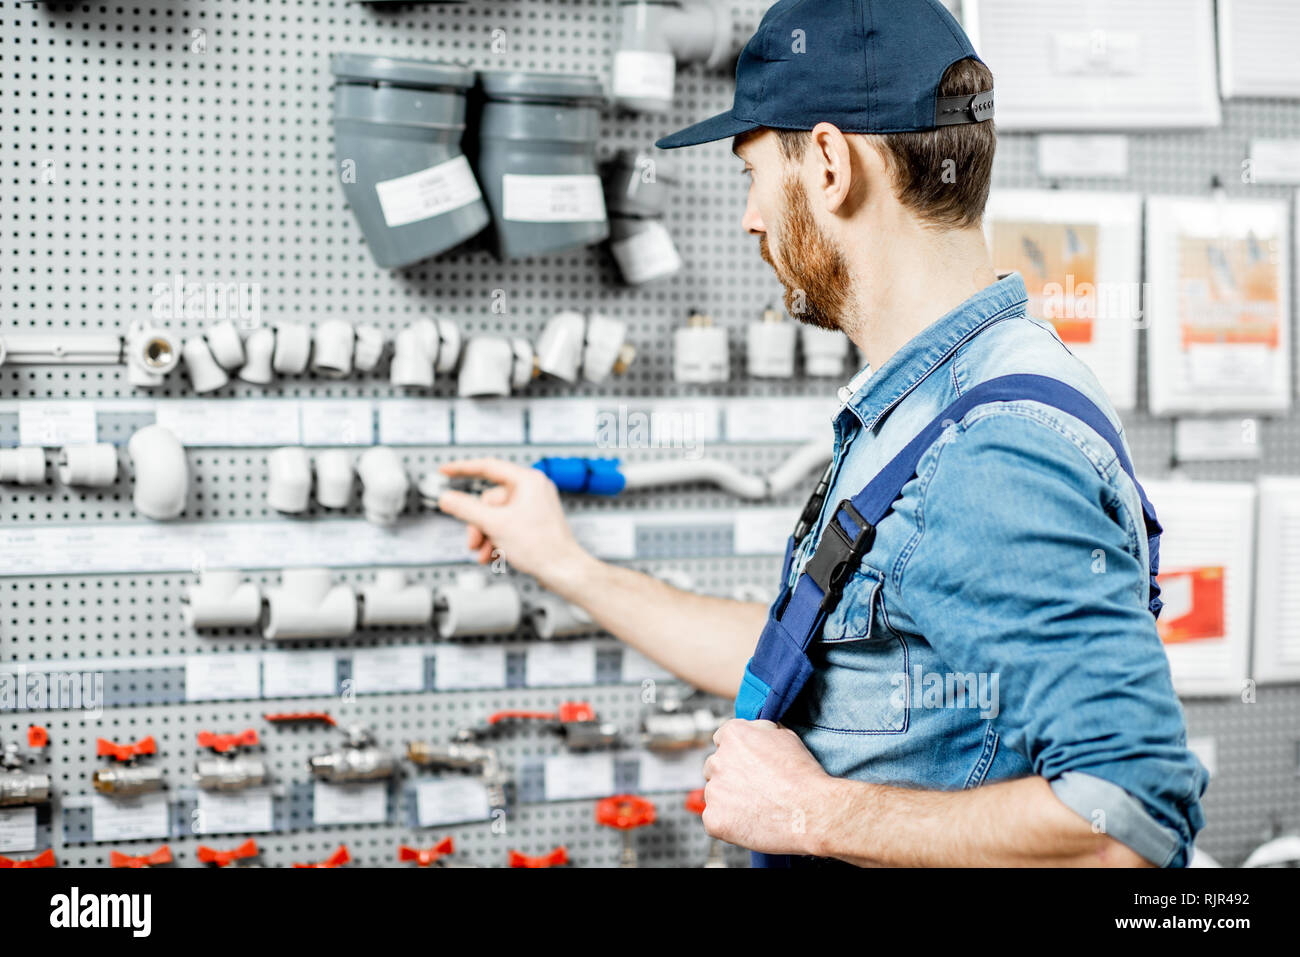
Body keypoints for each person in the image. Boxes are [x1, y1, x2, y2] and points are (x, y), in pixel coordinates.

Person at [437, 0, 1207, 867]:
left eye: (753, 174)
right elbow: (820, 660)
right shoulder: (924, 406)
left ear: (832, 164)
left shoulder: (993, 449)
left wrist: (816, 813)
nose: (751, 218)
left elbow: (1129, 818)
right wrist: (562, 562)